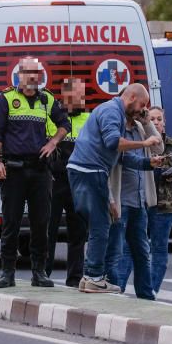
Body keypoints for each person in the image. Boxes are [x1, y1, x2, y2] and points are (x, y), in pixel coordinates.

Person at [67, 83, 162, 294]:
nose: (143, 110)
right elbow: (114, 143)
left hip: (85, 170)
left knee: (99, 226)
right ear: (131, 97)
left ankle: (88, 276)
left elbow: (121, 156)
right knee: (101, 227)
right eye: (142, 104)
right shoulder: (112, 111)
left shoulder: (115, 112)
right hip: (91, 170)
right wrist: (145, 144)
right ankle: (94, 277)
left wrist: (148, 163)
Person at [0, 57, 70, 288]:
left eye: (37, 72)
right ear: (19, 75)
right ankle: (7, 272)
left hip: (40, 171)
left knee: (40, 223)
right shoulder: (7, 98)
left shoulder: (47, 99)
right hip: (14, 170)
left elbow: (65, 123)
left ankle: (39, 273)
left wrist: (53, 142)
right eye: (28, 72)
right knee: (11, 223)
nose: (33, 77)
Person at [109, 108, 163, 300]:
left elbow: (159, 148)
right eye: (140, 105)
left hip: (139, 201)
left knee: (142, 252)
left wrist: (148, 123)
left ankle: (146, 295)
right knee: (116, 252)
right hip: (121, 199)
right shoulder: (117, 129)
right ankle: (114, 291)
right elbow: (123, 158)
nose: (142, 109)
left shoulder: (141, 127)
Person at [44, 77, 90, 287]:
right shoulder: (53, 119)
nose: (76, 99)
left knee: (78, 232)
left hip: (78, 183)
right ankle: (44, 272)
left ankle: (74, 277)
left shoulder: (90, 120)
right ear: (64, 97)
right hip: (55, 181)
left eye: (80, 95)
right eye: (72, 96)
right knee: (48, 230)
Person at [142, 107, 172, 294]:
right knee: (135, 248)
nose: (157, 122)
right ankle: (135, 289)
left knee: (159, 250)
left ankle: (152, 291)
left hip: (165, 206)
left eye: (159, 119)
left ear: (164, 122)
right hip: (142, 203)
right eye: (153, 119)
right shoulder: (141, 142)